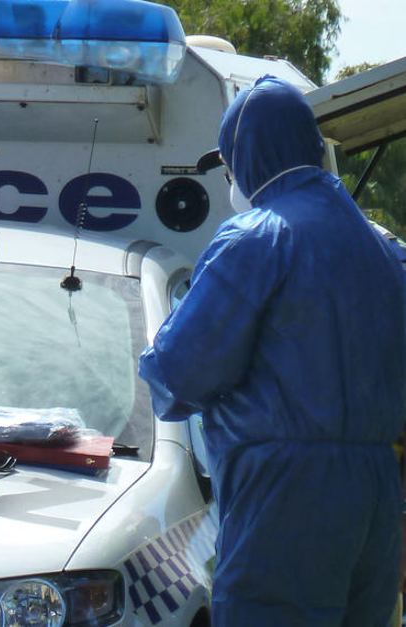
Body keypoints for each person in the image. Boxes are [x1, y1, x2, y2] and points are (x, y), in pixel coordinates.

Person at [138, 75, 405, 626]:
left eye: (229, 167)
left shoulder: (254, 238)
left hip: (284, 500)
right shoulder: (385, 250)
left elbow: (178, 374)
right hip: (377, 497)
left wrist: (156, 351)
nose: (231, 182)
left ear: (250, 158)